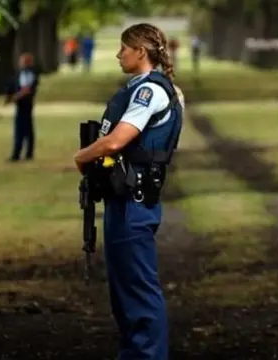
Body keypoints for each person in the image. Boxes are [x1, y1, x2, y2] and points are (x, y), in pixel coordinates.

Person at [73, 23, 184, 360]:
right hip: (125, 200)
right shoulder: (146, 88)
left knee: (138, 293)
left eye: (124, 47)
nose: (119, 54)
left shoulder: (150, 92)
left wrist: (82, 155)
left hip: (134, 203)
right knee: (124, 296)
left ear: (140, 51)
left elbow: (118, 139)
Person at [7, 53, 39, 162]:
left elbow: (28, 89)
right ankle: (17, 153)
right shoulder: (18, 74)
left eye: (25, 61)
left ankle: (27, 153)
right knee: (19, 129)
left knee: (27, 129)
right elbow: (13, 86)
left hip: (27, 105)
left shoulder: (31, 74)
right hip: (19, 105)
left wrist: (17, 96)